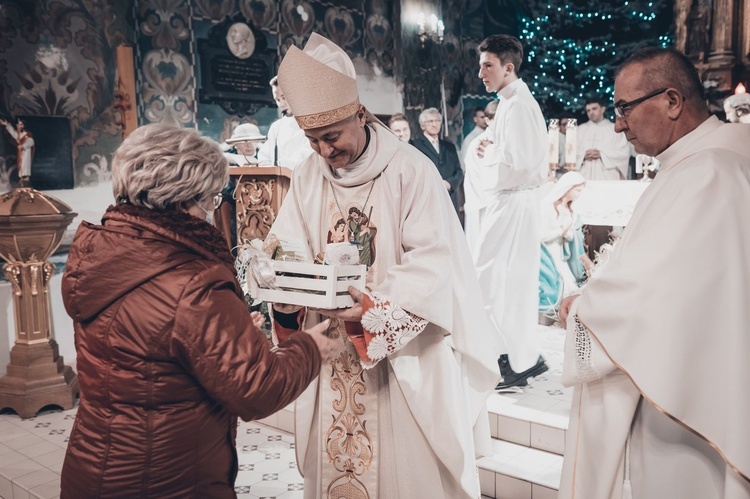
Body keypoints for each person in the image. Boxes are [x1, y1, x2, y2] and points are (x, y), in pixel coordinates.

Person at [270, 32, 499, 499]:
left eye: (331, 137)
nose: (324, 152)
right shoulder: (310, 173)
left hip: (402, 355)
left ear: (359, 114)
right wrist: (287, 281)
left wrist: (374, 309)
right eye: (312, 140)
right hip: (331, 349)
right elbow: (286, 243)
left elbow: (435, 261)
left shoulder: (411, 170)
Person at [58, 124, 338, 498]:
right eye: (210, 199)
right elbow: (256, 390)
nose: (212, 210)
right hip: (168, 479)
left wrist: (232, 333)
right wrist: (308, 349)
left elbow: (148, 349)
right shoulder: (193, 279)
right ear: (182, 199)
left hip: (94, 468)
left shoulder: (102, 253)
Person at [558, 47, 750, 499]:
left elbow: (659, 296)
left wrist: (584, 309)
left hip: (692, 402)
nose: (619, 124)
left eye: (625, 107)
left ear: (671, 101)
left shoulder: (709, 172)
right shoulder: (708, 161)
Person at [472, 34, 549, 389]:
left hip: (513, 201)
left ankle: (513, 361)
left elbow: (518, 165)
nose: (481, 73)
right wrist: (493, 144)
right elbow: (514, 153)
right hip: (515, 201)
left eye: (487, 65)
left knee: (489, 282)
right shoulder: (512, 101)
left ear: (508, 67)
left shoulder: (517, 104)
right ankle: (518, 360)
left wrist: (489, 153)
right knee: (506, 285)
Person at [538, 172, 588, 315]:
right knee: (554, 280)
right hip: (548, 251)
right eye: (577, 190)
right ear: (568, 188)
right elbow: (539, 234)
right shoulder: (547, 208)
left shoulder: (569, 210)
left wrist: (568, 234)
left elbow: (571, 234)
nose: (579, 194)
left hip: (561, 251)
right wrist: (559, 232)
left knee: (568, 281)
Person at [411, 107, 464, 215]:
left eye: (437, 121)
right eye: (430, 121)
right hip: (429, 197)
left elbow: (459, 172)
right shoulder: (415, 145)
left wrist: (449, 184)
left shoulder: (449, 146)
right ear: (422, 125)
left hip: (450, 197)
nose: (434, 124)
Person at [463, 99, 498, 253]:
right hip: (485, 204)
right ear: (488, 120)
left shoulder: (505, 140)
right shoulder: (479, 143)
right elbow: (477, 177)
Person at [257, 76, 314, 168]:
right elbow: (264, 155)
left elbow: (307, 155)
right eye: (277, 100)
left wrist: (279, 165)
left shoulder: (313, 122)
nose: (281, 104)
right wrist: (265, 164)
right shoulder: (277, 126)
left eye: (284, 98)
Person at [575, 96, 631, 180]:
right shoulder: (580, 130)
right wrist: (583, 155)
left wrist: (602, 154)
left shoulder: (614, 129)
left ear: (603, 109)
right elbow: (570, 153)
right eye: (588, 110)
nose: (591, 113)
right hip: (583, 175)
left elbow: (624, 153)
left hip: (607, 176)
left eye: (594, 109)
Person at [1, 118, 34, 186]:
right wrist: (7, 125)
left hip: (26, 153)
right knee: (21, 166)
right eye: (18, 124)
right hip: (21, 153)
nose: (19, 126)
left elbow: (31, 142)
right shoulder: (20, 135)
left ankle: (26, 180)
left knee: (25, 166)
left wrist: (23, 146)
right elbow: (13, 133)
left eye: (20, 124)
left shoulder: (27, 135)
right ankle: (22, 180)